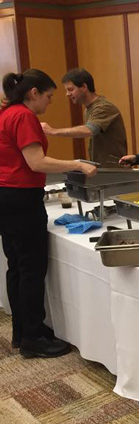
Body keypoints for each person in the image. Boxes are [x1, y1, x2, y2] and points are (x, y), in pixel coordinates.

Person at [0, 69, 97, 358]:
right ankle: (32, 338)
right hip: (21, 198)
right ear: (34, 93)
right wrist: (78, 163)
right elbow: (36, 162)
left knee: (16, 266)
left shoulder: (7, 113)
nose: (51, 102)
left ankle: (24, 329)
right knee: (31, 268)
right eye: (49, 96)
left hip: (6, 196)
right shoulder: (23, 116)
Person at [40, 68, 127, 167]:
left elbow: (89, 130)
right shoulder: (88, 109)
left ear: (84, 87)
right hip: (102, 169)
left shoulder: (103, 107)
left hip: (114, 171)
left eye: (71, 89)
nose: (67, 94)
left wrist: (53, 131)